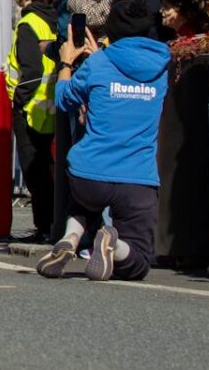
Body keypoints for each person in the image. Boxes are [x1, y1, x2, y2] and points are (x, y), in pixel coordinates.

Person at [36, 14, 171, 281]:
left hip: (89, 174)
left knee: (83, 203)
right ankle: (114, 245)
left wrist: (66, 63)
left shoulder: (98, 63)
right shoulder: (162, 67)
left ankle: (70, 237)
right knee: (138, 261)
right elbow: (127, 76)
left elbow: (64, 99)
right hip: (137, 179)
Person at [7, 0, 59, 243]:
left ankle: (45, 227)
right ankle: (52, 225)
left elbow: (31, 70)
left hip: (31, 108)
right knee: (48, 167)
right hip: (51, 102)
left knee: (34, 170)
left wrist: (19, 99)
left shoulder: (28, 23)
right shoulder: (52, 18)